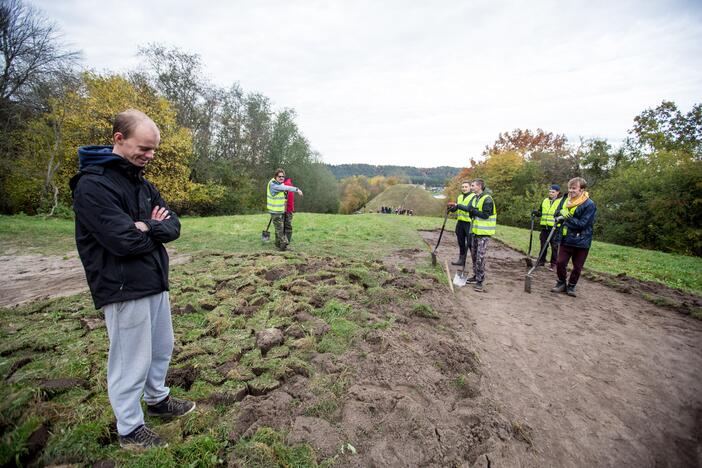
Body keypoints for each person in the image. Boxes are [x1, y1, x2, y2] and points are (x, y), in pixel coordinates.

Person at [69, 109, 195, 450]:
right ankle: (129, 428)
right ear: (118, 139)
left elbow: (174, 226)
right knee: (130, 359)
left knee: (160, 348)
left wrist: (148, 226)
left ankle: (157, 400)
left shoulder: (142, 183)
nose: (150, 156)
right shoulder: (93, 186)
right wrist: (147, 229)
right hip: (121, 285)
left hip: (154, 279)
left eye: (154, 150)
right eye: (144, 148)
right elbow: (123, 241)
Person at [551, 177, 596, 297]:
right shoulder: (565, 199)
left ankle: (571, 286)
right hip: (566, 238)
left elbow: (583, 224)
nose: (571, 190)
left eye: (574, 188)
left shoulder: (589, 204)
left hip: (582, 240)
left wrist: (567, 217)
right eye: (570, 188)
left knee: (577, 267)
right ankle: (561, 283)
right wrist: (558, 216)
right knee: (560, 263)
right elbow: (557, 212)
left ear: (582, 189)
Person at [466, 179, 496, 292]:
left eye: (473, 185)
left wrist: (474, 211)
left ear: (479, 186)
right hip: (475, 231)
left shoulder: (487, 199)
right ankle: (475, 275)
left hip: (484, 233)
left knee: (480, 257)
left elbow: (485, 215)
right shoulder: (475, 198)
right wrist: (470, 211)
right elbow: (473, 212)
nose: (471, 187)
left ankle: (480, 280)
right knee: (474, 255)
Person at [531, 184, 566, 271]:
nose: (550, 193)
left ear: (557, 192)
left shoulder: (561, 201)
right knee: (543, 245)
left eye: (553, 192)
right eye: (550, 191)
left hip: (555, 228)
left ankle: (553, 264)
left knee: (554, 246)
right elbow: (541, 212)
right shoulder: (545, 200)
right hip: (544, 227)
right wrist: (537, 213)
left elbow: (564, 213)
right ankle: (541, 261)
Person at [267, 168, 302, 251]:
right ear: (275, 177)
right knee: (280, 229)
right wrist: (297, 190)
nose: (281, 178)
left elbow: (284, 187)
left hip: (279, 210)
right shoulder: (274, 185)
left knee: (279, 228)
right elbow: (287, 188)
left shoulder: (277, 182)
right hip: (275, 211)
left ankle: (278, 244)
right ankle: (284, 246)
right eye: (279, 176)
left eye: (283, 176)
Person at [447, 180, 475, 267]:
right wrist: (451, 208)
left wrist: (458, 206)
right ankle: (461, 260)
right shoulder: (460, 197)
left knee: (470, 244)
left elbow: (468, 208)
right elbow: (456, 207)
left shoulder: (474, 197)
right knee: (461, 241)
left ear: (470, 187)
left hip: (469, 223)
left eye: (466, 187)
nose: (464, 188)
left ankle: (475, 262)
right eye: (462, 187)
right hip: (460, 222)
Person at [283, 177, 295, 243]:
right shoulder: (289, 184)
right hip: (289, 209)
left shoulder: (285, 185)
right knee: (288, 225)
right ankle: (287, 240)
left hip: (285, 208)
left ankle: (283, 240)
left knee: (283, 225)